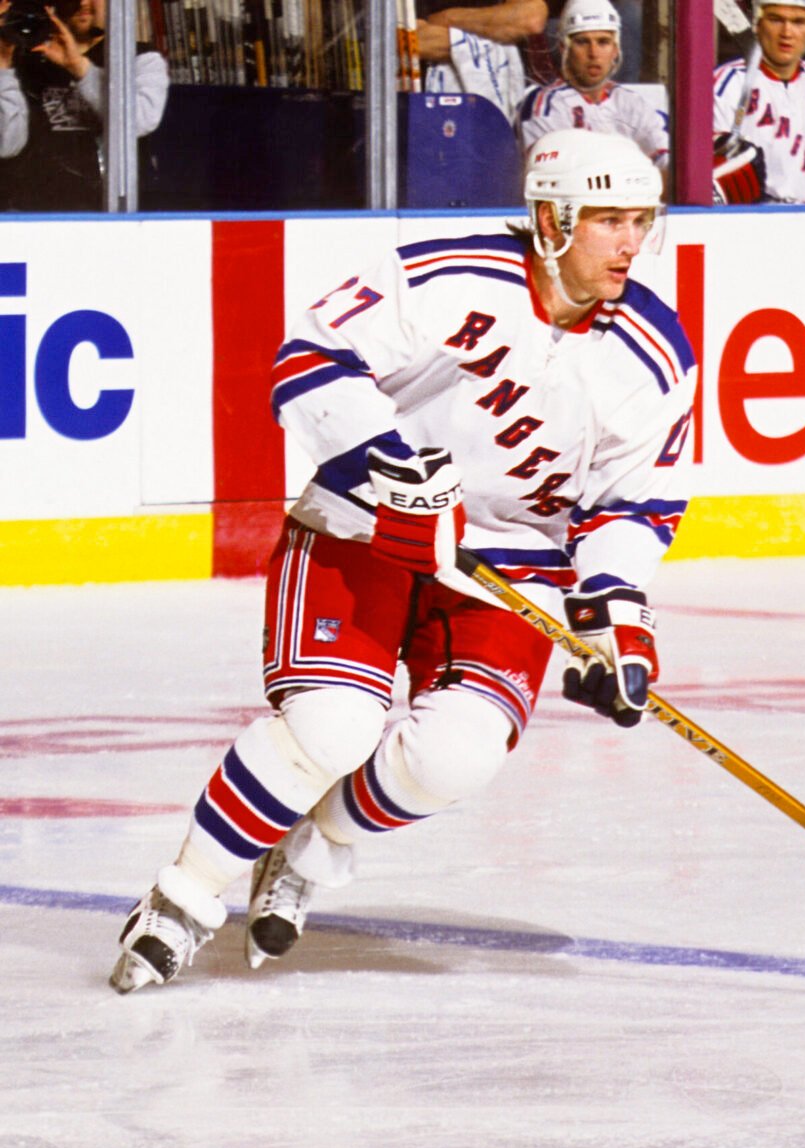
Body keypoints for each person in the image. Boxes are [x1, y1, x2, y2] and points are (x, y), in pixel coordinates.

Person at [110, 128, 697, 995]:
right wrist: (395, 473)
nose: (630, 242)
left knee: (457, 756)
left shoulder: (654, 350)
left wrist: (615, 617)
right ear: (551, 219)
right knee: (331, 728)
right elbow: (310, 359)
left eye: (641, 221)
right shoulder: (450, 277)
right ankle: (182, 897)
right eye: (609, 220)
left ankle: (310, 848)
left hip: (509, 565)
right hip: (365, 530)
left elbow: (633, 503)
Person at [0, 0, 167, 211]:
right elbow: (6, 144)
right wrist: (3, 64)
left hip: (111, 213)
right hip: (32, 213)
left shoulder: (139, 58)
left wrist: (79, 67)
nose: (84, 2)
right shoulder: (21, 55)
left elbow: (138, 121)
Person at [712, 0, 805, 204]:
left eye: (798, 22)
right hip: (750, 218)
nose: (787, 32)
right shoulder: (726, 84)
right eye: (775, 20)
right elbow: (711, 180)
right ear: (757, 24)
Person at [518, 0, 667, 169]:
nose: (594, 53)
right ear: (563, 48)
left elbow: (668, 166)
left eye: (603, 42)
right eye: (582, 42)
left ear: (615, 50)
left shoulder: (633, 104)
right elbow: (549, 173)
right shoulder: (546, 105)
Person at [416, 0, 553, 122]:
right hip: (427, 106)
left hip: (512, 109)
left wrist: (446, 18)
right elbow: (420, 41)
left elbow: (530, 18)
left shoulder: (443, 17)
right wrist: (496, 28)